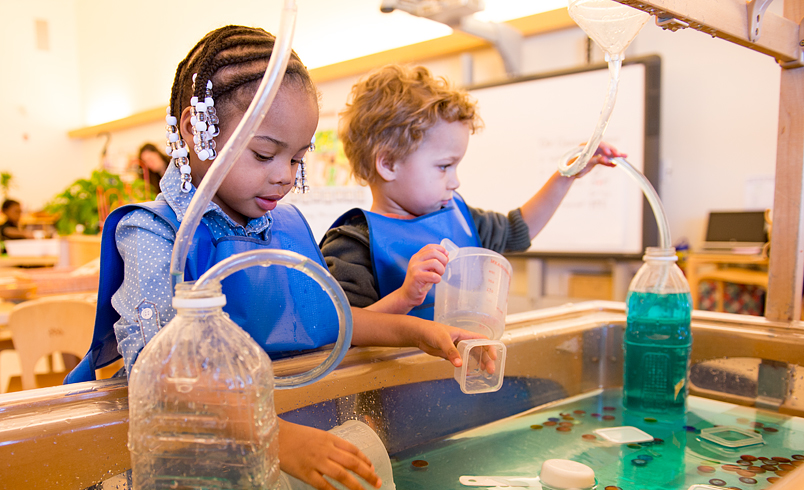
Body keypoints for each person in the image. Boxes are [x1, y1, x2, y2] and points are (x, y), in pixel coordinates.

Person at [65, 27, 490, 490]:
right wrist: (277, 439)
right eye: (265, 154)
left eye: (296, 159)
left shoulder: (285, 226)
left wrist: (420, 331)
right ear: (196, 130)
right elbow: (162, 373)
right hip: (189, 460)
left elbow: (329, 321)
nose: (283, 177)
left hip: (277, 432)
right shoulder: (153, 234)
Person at [320, 64, 626, 318]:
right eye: (444, 166)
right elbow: (345, 331)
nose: (455, 182)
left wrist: (565, 176)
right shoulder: (352, 244)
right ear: (388, 163)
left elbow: (517, 231)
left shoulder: (459, 217)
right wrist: (404, 297)